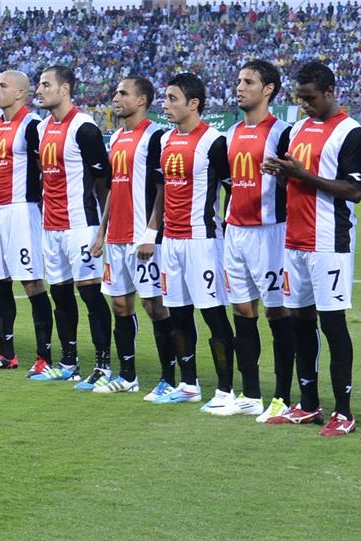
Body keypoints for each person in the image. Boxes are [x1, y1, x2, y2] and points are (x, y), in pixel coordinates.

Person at [261, 61, 361, 436]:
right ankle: (308, 405)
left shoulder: (350, 132)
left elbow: (354, 190)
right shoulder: (299, 129)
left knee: (333, 324)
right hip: (294, 240)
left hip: (329, 242)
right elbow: (294, 181)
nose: (304, 105)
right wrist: (281, 172)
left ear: (329, 92)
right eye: (300, 99)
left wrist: (301, 175)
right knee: (300, 321)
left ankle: (344, 411)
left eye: (310, 98)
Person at [89, 76, 178, 397]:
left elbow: (162, 189)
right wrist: (101, 232)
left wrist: (151, 233)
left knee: (155, 306)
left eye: (123, 93)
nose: (116, 97)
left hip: (142, 238)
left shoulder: (156, 137)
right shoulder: (116, 137)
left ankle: (169, 378)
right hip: (116, 236)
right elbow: (114, 187)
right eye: (116, 92)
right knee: (120, 305)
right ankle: (128, 376)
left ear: (141, 100)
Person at [217, 60, 296, 419]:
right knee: (242, 311)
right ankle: (250, 394)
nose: (240, 87)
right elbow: (229, 184)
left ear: (268, 90)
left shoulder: (282, 133)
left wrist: (281, 176)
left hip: (271, 233)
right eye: (238, 81)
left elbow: (295, 184)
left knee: (277, 312)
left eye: (248, 82)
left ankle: (281, 397)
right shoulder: (231, 133)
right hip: (236, 232)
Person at [151, 73, 235, 409]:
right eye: (165, 98)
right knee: (178, 316)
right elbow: (162, 190)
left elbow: (232, 189)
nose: (165, 104)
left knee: (213, 316)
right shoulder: (164, 140)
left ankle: (225, 390)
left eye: (172, 99)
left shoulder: (214, 142)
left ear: (193, 103)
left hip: (203, 241)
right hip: (171, 241)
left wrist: (230, 231)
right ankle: (189, 384)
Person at [30, 66, 113, 389]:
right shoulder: (41, 129)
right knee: (60, 295)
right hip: (51, 227)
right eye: (38, 84)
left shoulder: (84, 128)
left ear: (65, 89)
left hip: (81, 224)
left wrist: (103, 229)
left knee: (91, 295)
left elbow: (104, 182)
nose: (39, 90)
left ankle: (103, 365)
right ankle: (69, 362)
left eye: (45, 84)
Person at [0, 70, 54, 371]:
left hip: (22, 210)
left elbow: (45, 169)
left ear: (21, 93)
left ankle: (44, 357)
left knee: (32, 283)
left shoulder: (32, 126)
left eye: (3, 85)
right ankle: (5, 353)